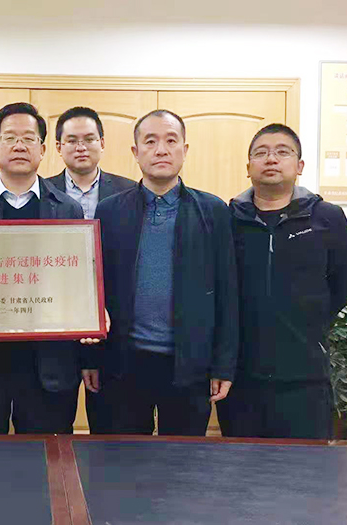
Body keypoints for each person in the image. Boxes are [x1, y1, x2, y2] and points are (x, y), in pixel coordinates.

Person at [0, 102, 100, 434]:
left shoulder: (67, 209)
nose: (19, 146)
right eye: (10, 138)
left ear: (43, 149)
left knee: (46, 454)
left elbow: (75, 284)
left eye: (29, 138)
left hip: (49, 364)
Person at [91, 109, 238, 435]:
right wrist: (91, 358)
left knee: (182, 460)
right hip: (124, 364)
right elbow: (97, 290)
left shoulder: (212, 211)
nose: (161, 150)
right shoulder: (110, 211)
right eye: (150, 141)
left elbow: (228, 292)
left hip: (190, 364)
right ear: (135, 151)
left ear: (185, 150)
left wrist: (223, 364)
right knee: (122, 458)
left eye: (171, 141)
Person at [218, 123, 347, 439]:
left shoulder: (327, 217)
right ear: (248, 167)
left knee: (305, 466)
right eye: (261, 153)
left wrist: (306, 319)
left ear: (300, 165)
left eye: (283, 152)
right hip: (241, 378)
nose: (271, 159)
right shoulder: (228, 219)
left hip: (305, 378)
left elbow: (344, 284)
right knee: (241, 465)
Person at [47, 106, 135, 219]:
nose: (81, 148)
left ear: (102, 144)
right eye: (72, 141)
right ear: (59, 147)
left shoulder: (128, 190)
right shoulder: (45, 190)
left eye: (89, 140)